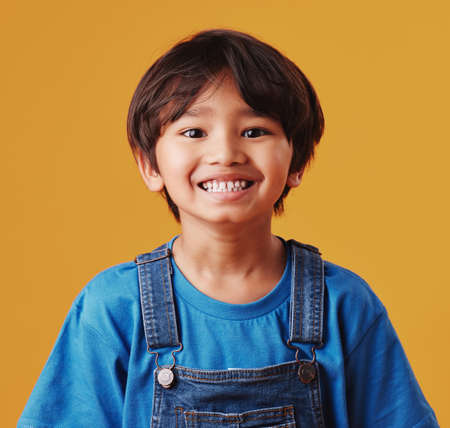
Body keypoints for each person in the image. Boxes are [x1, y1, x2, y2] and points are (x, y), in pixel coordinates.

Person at [18, 29, 439, 427]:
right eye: (194, 131)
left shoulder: (344, 304)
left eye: (254, 131)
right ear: (150, 165)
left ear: (297, 162)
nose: (225, 152)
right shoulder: (112, 308)